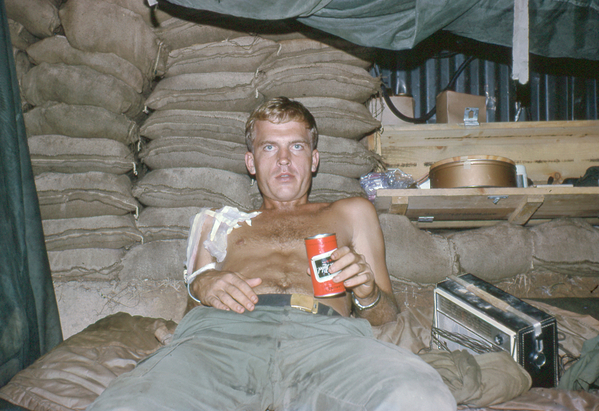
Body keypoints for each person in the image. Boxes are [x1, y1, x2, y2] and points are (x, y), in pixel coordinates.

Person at [88, 97, 456, 411]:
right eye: (269, 147)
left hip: (327, 340)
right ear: (251, 162)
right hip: (223, 338)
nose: (283, 160)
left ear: (313, 159)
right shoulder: (216, 222)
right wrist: (203, 285)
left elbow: (386, 313)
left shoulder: (353, 212)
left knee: (421, 394)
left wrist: (367, 291)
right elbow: (190, 315)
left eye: (296, 146)